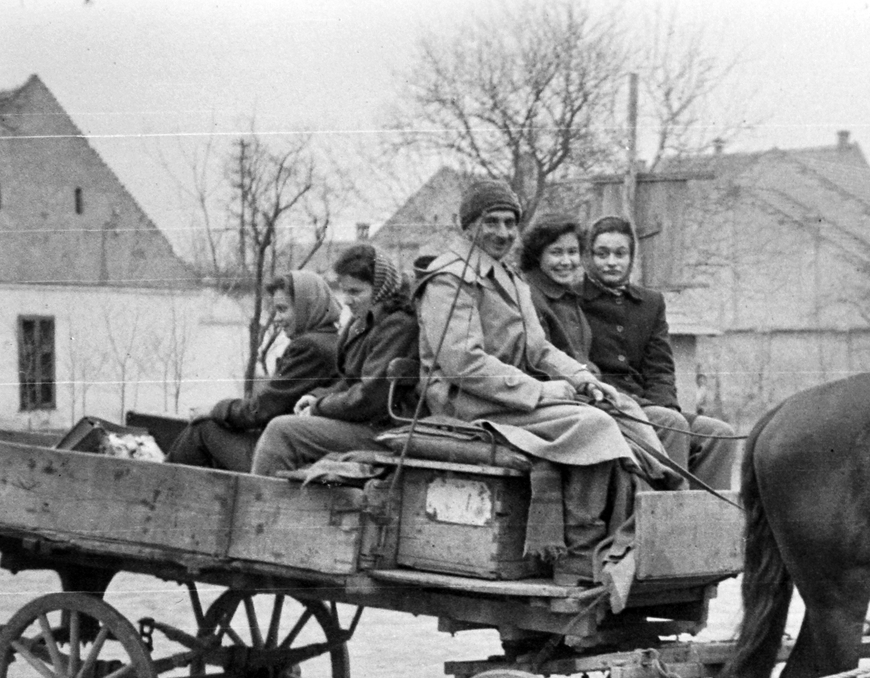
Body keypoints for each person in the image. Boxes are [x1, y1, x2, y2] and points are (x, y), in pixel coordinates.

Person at [415, 179, 656, 580]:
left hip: (504, 395)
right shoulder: (449, 278)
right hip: (465, 402)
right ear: (467, 225)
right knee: (592, 425)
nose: (503, 232)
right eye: (492, 222)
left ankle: (649, 514)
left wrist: (582, 378)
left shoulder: (509, 278)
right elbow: (462, 363)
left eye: (510, 223)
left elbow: (540, 349)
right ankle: (578, 554)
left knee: (623, 408)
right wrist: (540, 390)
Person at [578, 216, 737, 490]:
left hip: (650, 408)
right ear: (589, 257)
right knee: (671, 423)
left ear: (632, 258)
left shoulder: (650, 303)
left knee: (719, 434)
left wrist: (664, 408)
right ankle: (665, 514)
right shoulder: (576, 300)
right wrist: (664, 418)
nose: (612, 262)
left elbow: (660, 369)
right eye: (602, 254)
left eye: (620, 254)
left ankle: (704, 514)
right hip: (609, 407)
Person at [250, 244, 419, 477]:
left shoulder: (398, 325)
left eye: (356, 292)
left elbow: (369, 397)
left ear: (381, 288)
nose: (347, 300)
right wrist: (317, 397)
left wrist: (319, 407)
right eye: (344, 291)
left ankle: (259, 497)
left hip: (388, 432)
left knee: (282, 431)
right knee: (286, 426)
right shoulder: (364, 322)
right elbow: (350, 381)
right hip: (370, 425)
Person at [166, 271, 340, 471]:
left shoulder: (310, 347)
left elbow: (260, 411)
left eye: (282, 309)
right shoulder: (333, 340)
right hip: (304, 451)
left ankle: (156, 483)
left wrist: (215, 409)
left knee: (202, 429)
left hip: (284, 458)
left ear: (306, 307)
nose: (277, 319)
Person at [519, 215, 592, 364]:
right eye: (556, 252)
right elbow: (541, 361)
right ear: (537, 255)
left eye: (572, 252)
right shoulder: (530, 296)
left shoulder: (566, 292)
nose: (566, 261)